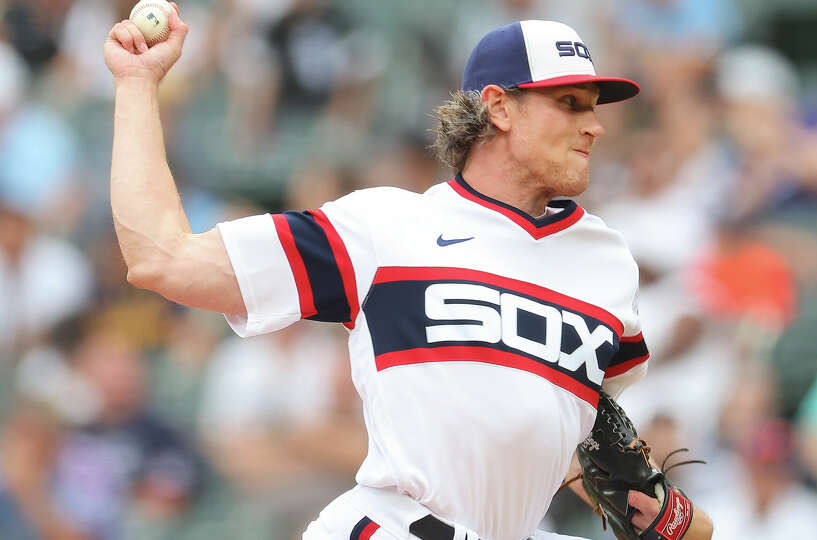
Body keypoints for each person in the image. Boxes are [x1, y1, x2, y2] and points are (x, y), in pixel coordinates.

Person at [104, 8, 713, 540]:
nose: (595, 125)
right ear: (499, 106)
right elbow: (163, 258)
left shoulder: (605, 261)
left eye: (593, 107)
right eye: (569, 104)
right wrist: (136, 85)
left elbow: (575, 418)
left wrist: (659, 509)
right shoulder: (385, 229)